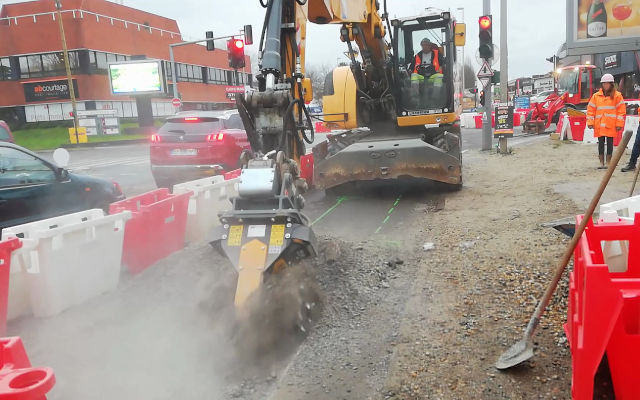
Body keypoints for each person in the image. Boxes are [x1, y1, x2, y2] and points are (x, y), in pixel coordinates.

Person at [586, 73, 626, 169]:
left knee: (609, 143)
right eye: (604, 83)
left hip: (610, 124)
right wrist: (590, 122)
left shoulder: (617, 96)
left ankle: (608, 162)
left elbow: (621, 111)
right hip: (599, 124)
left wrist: (619, 124)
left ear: (611, 84)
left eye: (607, 83)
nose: (605, 85)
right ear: (602, 84)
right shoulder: (596, 96)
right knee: (600, 143)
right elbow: (590, 110)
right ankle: (601, 162)